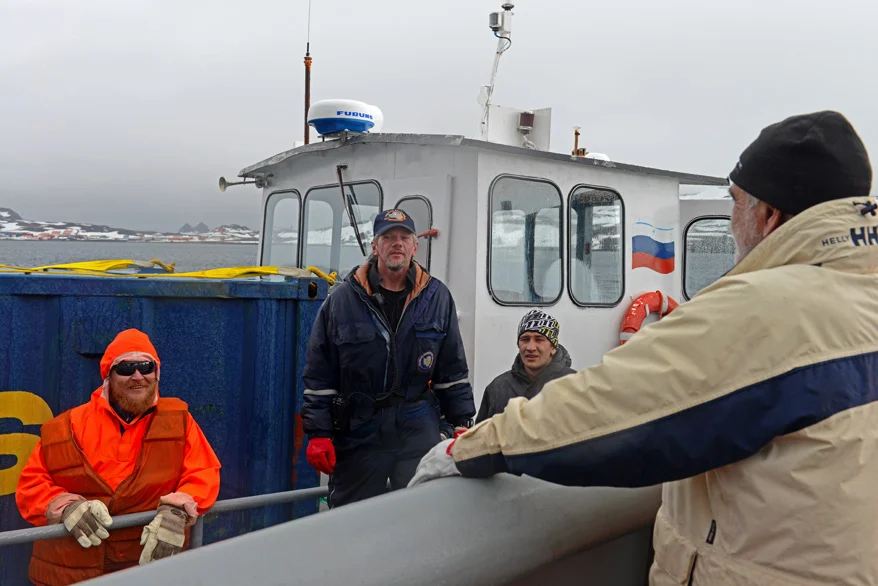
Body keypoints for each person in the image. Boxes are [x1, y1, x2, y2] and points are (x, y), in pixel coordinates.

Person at [409, 111, 876, 585]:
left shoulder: (766, 307)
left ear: (767, 214)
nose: (733, 221)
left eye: (734, 202)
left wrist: (473, 447)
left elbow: (617, 411)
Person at [16, 328, 222, 586]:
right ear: (108, 376)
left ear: (156, 374)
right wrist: (65, 507)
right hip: (69, 573)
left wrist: (177, 511)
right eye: (126, 368)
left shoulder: (179, 421)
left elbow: (203, 472)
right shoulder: (66, 426)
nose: (138, 376)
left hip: (146, 572)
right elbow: (31, 486)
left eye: (146, 367)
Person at [302, 208, 475, 508]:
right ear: (374, 246)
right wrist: (319, 433)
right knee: (351, 516)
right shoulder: (342, 300)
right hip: (359, 426)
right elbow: (320, 373)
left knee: (422, 511)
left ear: (414, 246)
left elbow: (452, 370)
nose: (397, 243)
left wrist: (461, 423)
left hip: (417, 423)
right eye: (388, 237)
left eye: (404, 237)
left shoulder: (437, 297)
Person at [476, 309, 575, 423]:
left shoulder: (573, 384)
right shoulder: (497, 388)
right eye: (525, 339)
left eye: (539, 340)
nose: (530, 347)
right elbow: (482, 436)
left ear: (553, 348)